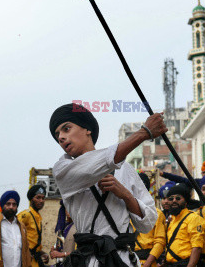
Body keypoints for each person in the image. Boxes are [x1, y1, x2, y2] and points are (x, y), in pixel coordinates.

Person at [50, 103, 159, 267]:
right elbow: (90, 170)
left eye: (66, 129)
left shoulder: (125, 169)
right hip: (88, 261)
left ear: (87, 129)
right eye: (57, 135)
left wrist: (126, 195)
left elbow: (147, 223)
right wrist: (144, 133)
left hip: (123, 260)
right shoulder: (63, 170)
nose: (61, 137)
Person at [164, 184, 205, 267]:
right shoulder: (171, 220)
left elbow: (197, 247)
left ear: (185, 202)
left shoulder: (193, 218)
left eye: (178, 198)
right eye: (171, 198)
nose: (174, 200)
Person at [133, 173, 166, 267]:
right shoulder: (125, 212)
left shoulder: (156, 213)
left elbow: (160, 242)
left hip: (149, 263)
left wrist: (147, 264)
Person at [17, 185, 49, 267]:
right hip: (27, 259)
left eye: (43, 198)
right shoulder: (26, 214)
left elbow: (33, 241)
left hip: (36, 259)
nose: (41, 201)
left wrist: (43, 253)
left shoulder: (37, 216)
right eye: (38, 198)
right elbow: (14, 235)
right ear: (31, 199)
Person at [0, 191, 32, 267]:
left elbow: (26, 250)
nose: (11, 207)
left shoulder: (21, 226)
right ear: (3, 205)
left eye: (14, 204)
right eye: (8, 204)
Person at [50, 201, 76, 267]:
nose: (69, 210)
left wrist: (62, 254)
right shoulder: (62, 227)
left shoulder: (80, 228)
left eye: (72, 207)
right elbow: (59, 246)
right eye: (67, 207)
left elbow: (82, 252)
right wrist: (53, 250)